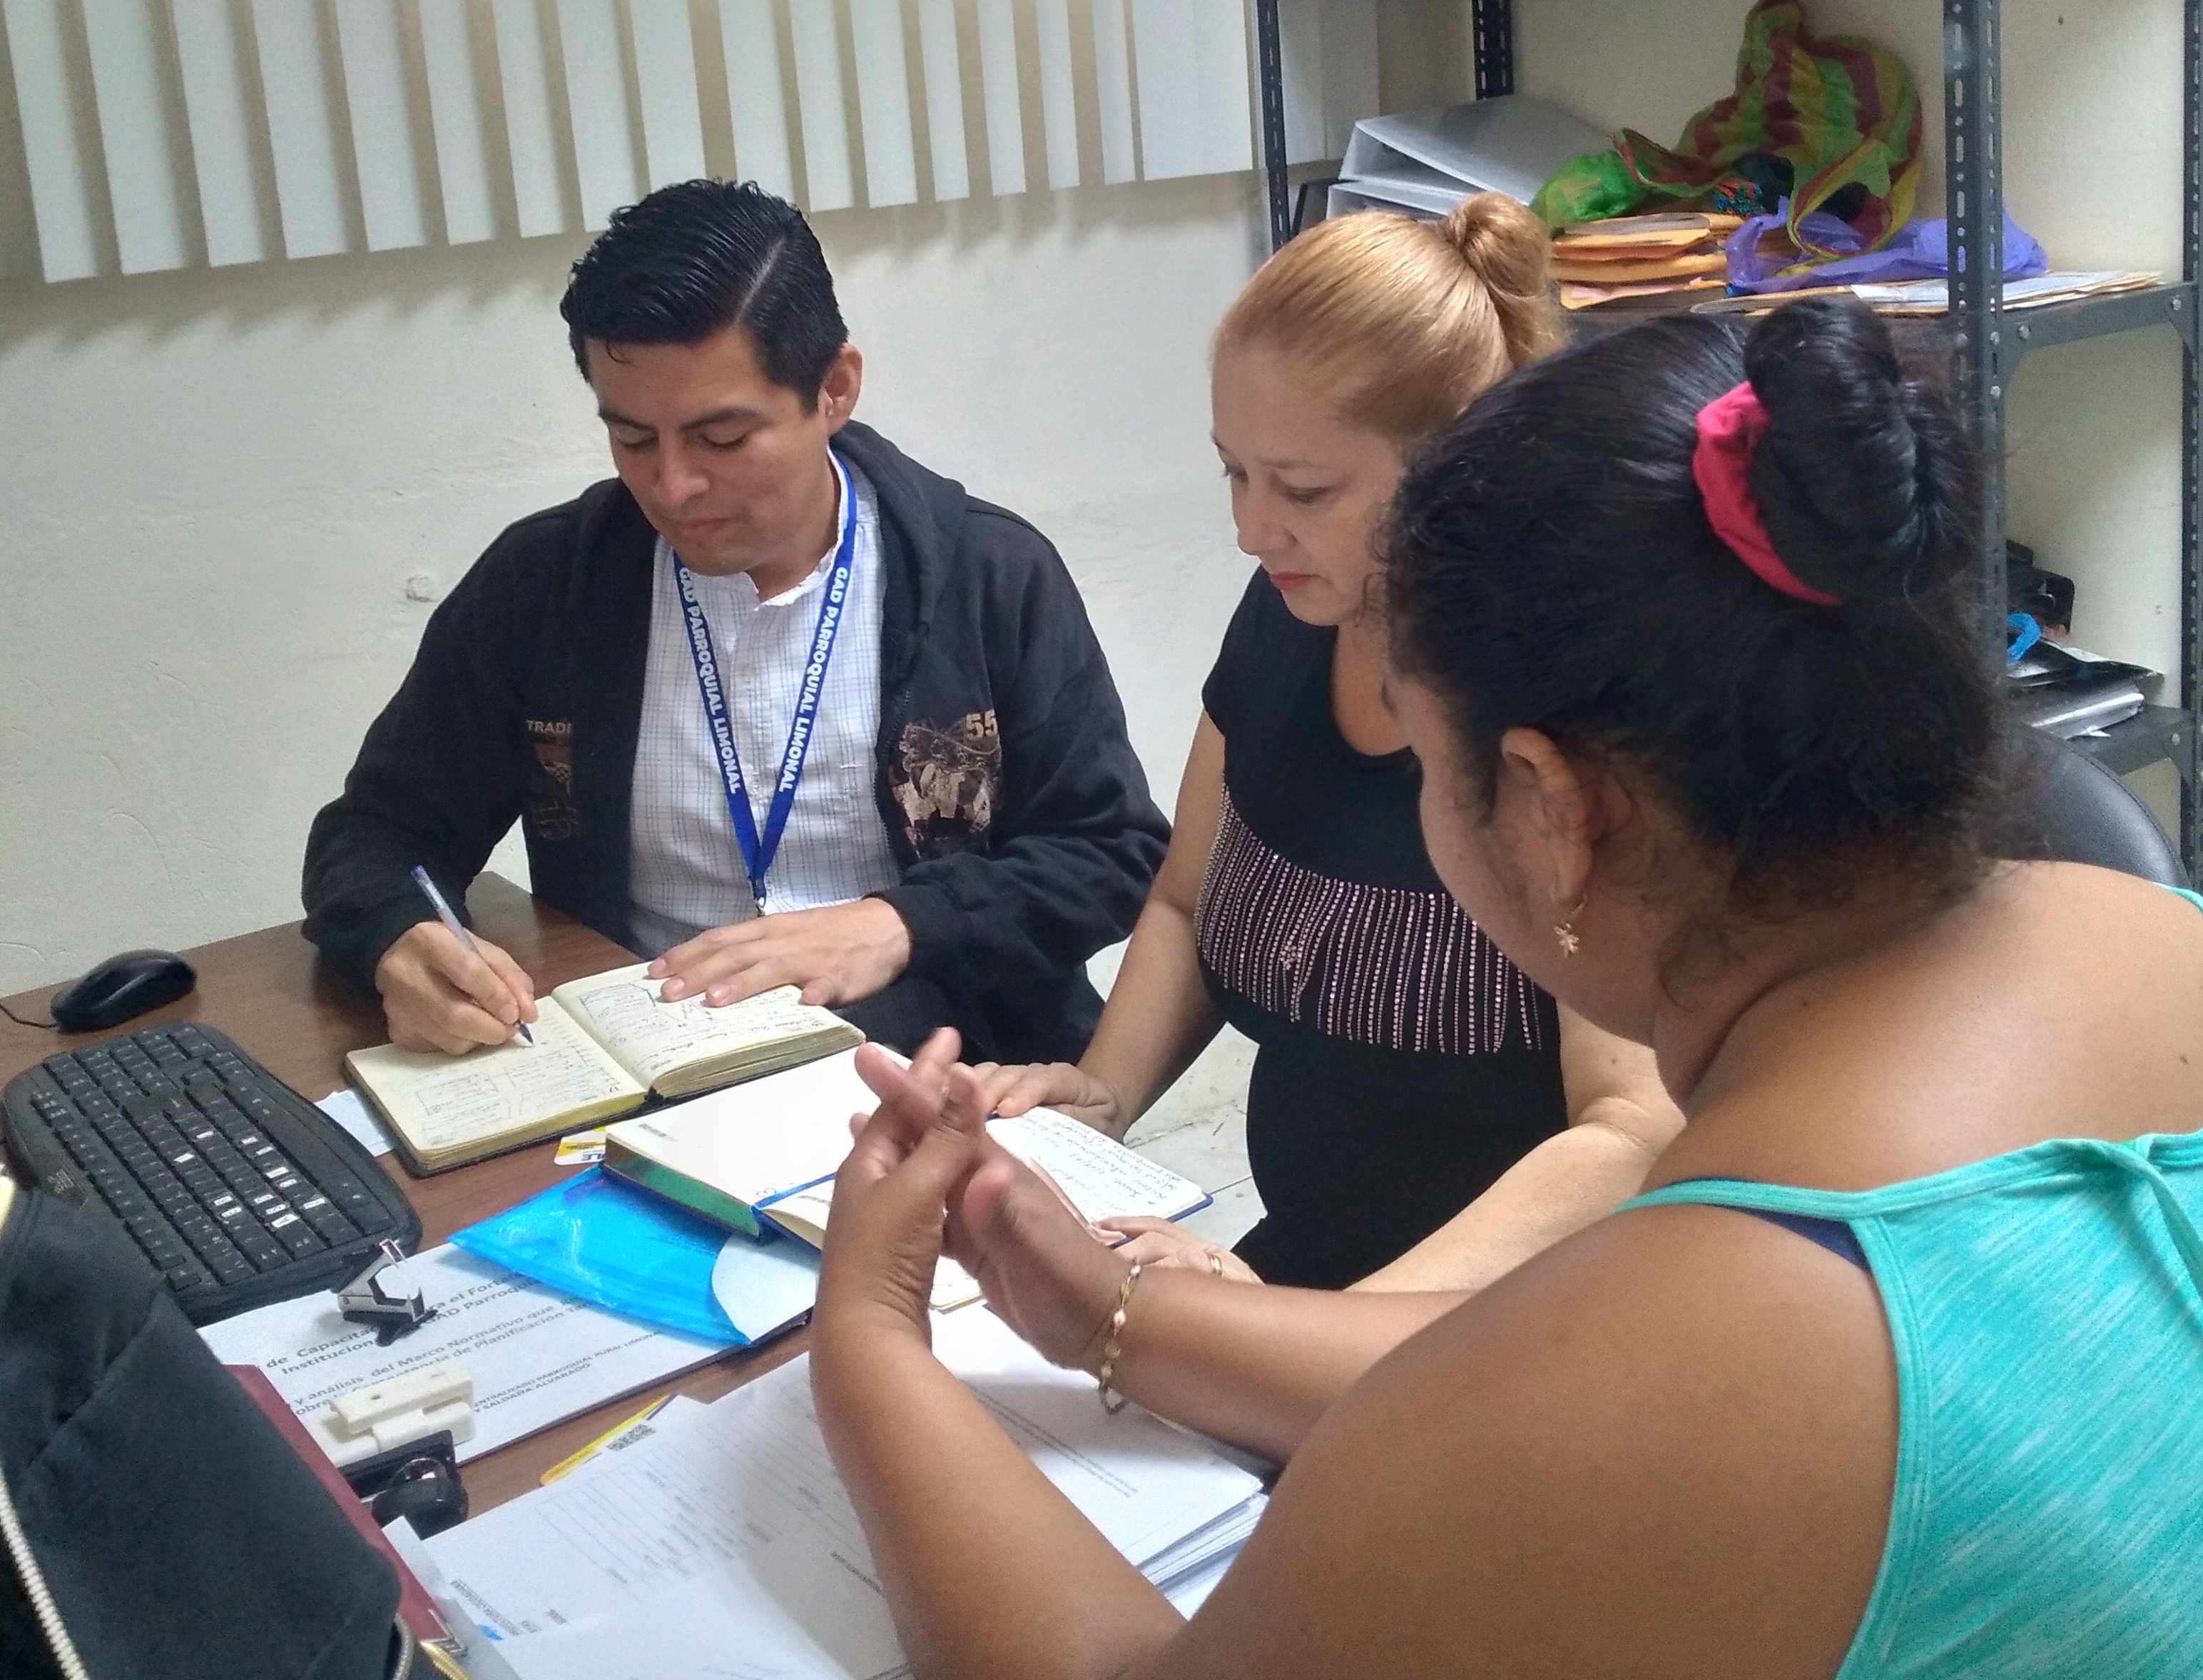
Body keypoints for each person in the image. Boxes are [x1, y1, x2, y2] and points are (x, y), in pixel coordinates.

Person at [810, 297, 2203, 1680]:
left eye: (1423, 760)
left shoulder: (1648, 1361)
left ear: (1550, 806)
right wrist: (1111, 1313)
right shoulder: (2152, 929)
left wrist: (868, 1337)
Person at [978, 197, 1678, 1288]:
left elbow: (1630, 1132)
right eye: (1234, 472)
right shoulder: (1293, 610)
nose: (1250, 531)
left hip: (1505, 1311)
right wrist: (1100, 1102)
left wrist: (1314, 1330)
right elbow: (1187, 901)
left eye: (1303, 489)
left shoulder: (1578, 700)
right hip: (1304, 1268)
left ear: (1457, 461)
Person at [302, 180, 1168, 1062]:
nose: (673, 486)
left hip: (943, 1070)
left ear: (834, 389)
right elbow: (375, 833)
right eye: (634, 439)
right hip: (657, 1076)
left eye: (721, 439)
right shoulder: (547, 585)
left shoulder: (984, 575)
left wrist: (900, 924)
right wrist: (398, 937)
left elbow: (1108, 853)